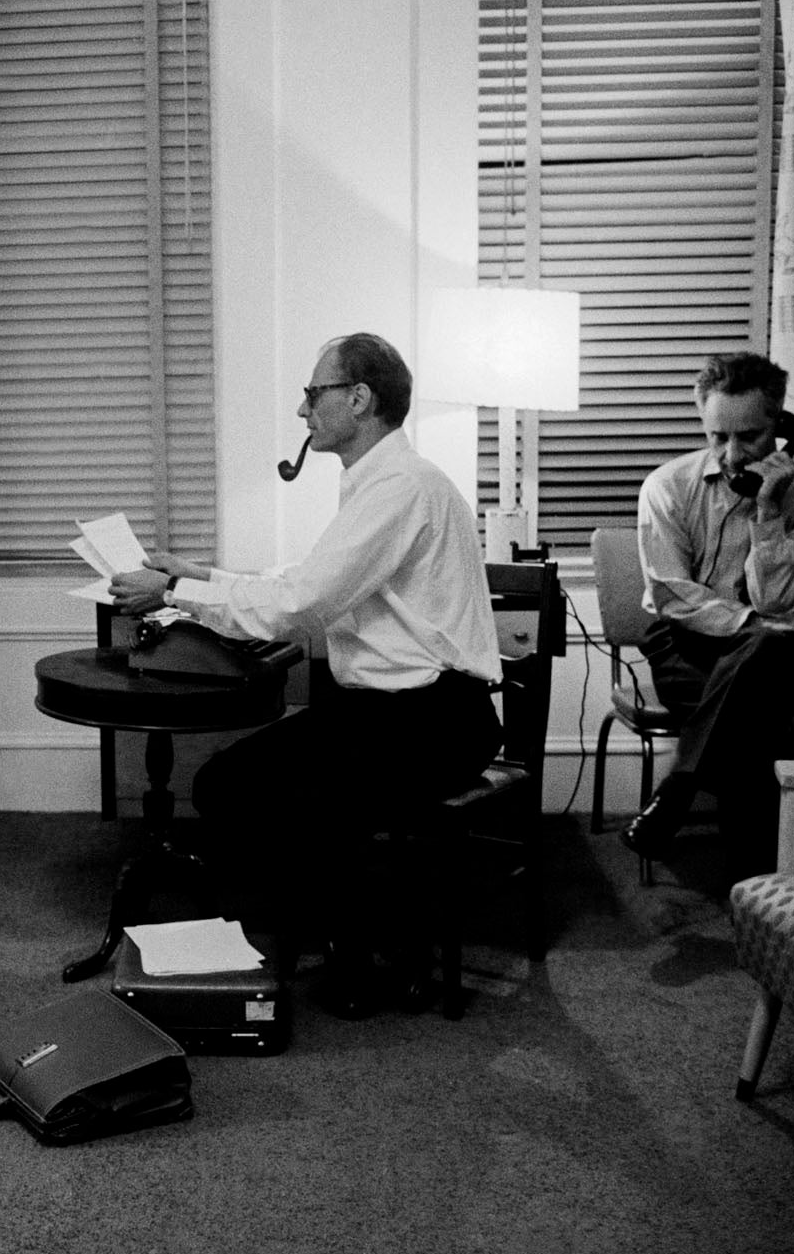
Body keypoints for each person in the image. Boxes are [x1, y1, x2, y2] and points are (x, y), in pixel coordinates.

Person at [110, 333, 502, 1020]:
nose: (302, 411)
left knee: (286, 794)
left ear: (359, 398)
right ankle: (351, 930)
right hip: (388, 710)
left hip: (437, 718)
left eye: (313, 394)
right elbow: (306, 583)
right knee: (226, 782)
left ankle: (365, 949)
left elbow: (301, 604)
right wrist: (196, 575)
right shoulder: (380, 484)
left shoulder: (401, 488)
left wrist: (172, 595)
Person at [621, 352, 794, 862]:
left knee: (766, 664)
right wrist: (759, 624)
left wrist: (767, 512)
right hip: (685, 642)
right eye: (718, 437)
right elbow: (673, 593)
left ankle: (676, 793)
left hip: (775, 651)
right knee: (759, 713)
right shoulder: (666, 487)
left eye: (750, 437)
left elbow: (782, 598)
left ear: (781, 426)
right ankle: (762, 886)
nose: (732, 454)